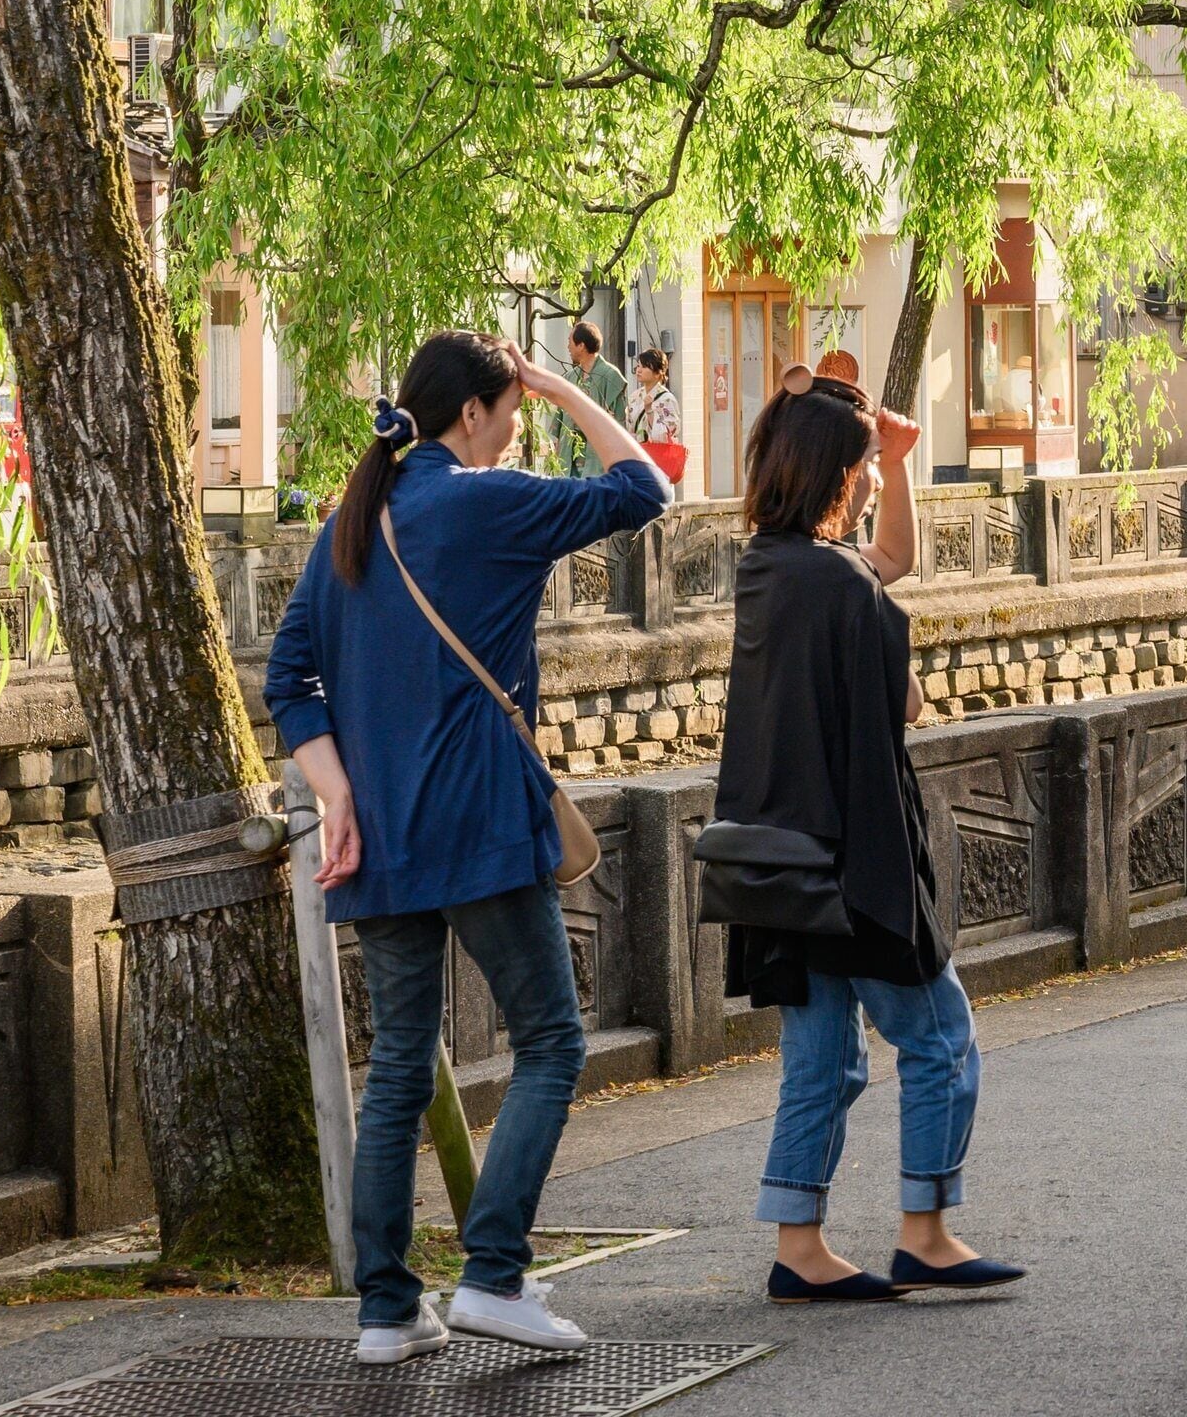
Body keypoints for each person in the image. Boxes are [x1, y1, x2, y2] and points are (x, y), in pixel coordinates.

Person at [263, 330, 670, 1365]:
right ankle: (494, 1273)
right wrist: (570, 388)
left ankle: (387, 1308)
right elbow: (643, 488)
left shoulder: (352, 525)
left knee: (398, 1064)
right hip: (480, 822)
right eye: (513, 411)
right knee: (552, 1041)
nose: (517, 429)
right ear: (476, 412)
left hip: (381, 837)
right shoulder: (487, 501)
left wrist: (338, 796)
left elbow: (289, 680)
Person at [717, 367, 1025, 1301]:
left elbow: (889, 561)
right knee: (940, 1036)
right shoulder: (839, 585)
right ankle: (926, 1229)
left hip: (785, 868)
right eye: (865, 476)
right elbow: (911, 702)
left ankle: (799, 1245)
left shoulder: (768, 567)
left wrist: (897, 462)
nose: (871, 493)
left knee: (824, 1061)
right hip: (857, 867)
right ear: (836, 480)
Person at [563, 326, 630, 475]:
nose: (568, 346)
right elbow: (561, 418)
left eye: (570, 342)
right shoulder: (570, 377)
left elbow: (619, 421)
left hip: (598, 455)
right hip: (571, 455)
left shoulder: (610, 376)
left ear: (581, 346)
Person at [627, 348, 686, 483]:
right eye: (638, 366)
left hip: (659, 460)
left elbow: (665, 435)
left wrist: (649, 411)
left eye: (645, 366)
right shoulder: (634, 397)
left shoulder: (667, 399)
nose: (639, 370)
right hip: (639, 457)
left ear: (658, 373)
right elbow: (631, 427)